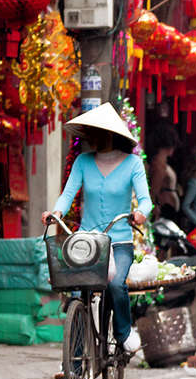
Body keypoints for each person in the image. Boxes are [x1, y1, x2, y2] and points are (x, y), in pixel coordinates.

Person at [42, 103, 153, 363]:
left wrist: (140, 213)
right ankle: (76, 361)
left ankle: (124, 333)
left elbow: (146, 200)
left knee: (116, 285)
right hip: (87, 243)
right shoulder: (83, 161)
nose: (95, 135)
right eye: (92, 131)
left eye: (100, 131)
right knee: (76, 294)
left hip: (120, 241)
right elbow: (68, 193)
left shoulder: (133, 163)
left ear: (113, 134)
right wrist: (55, 212)